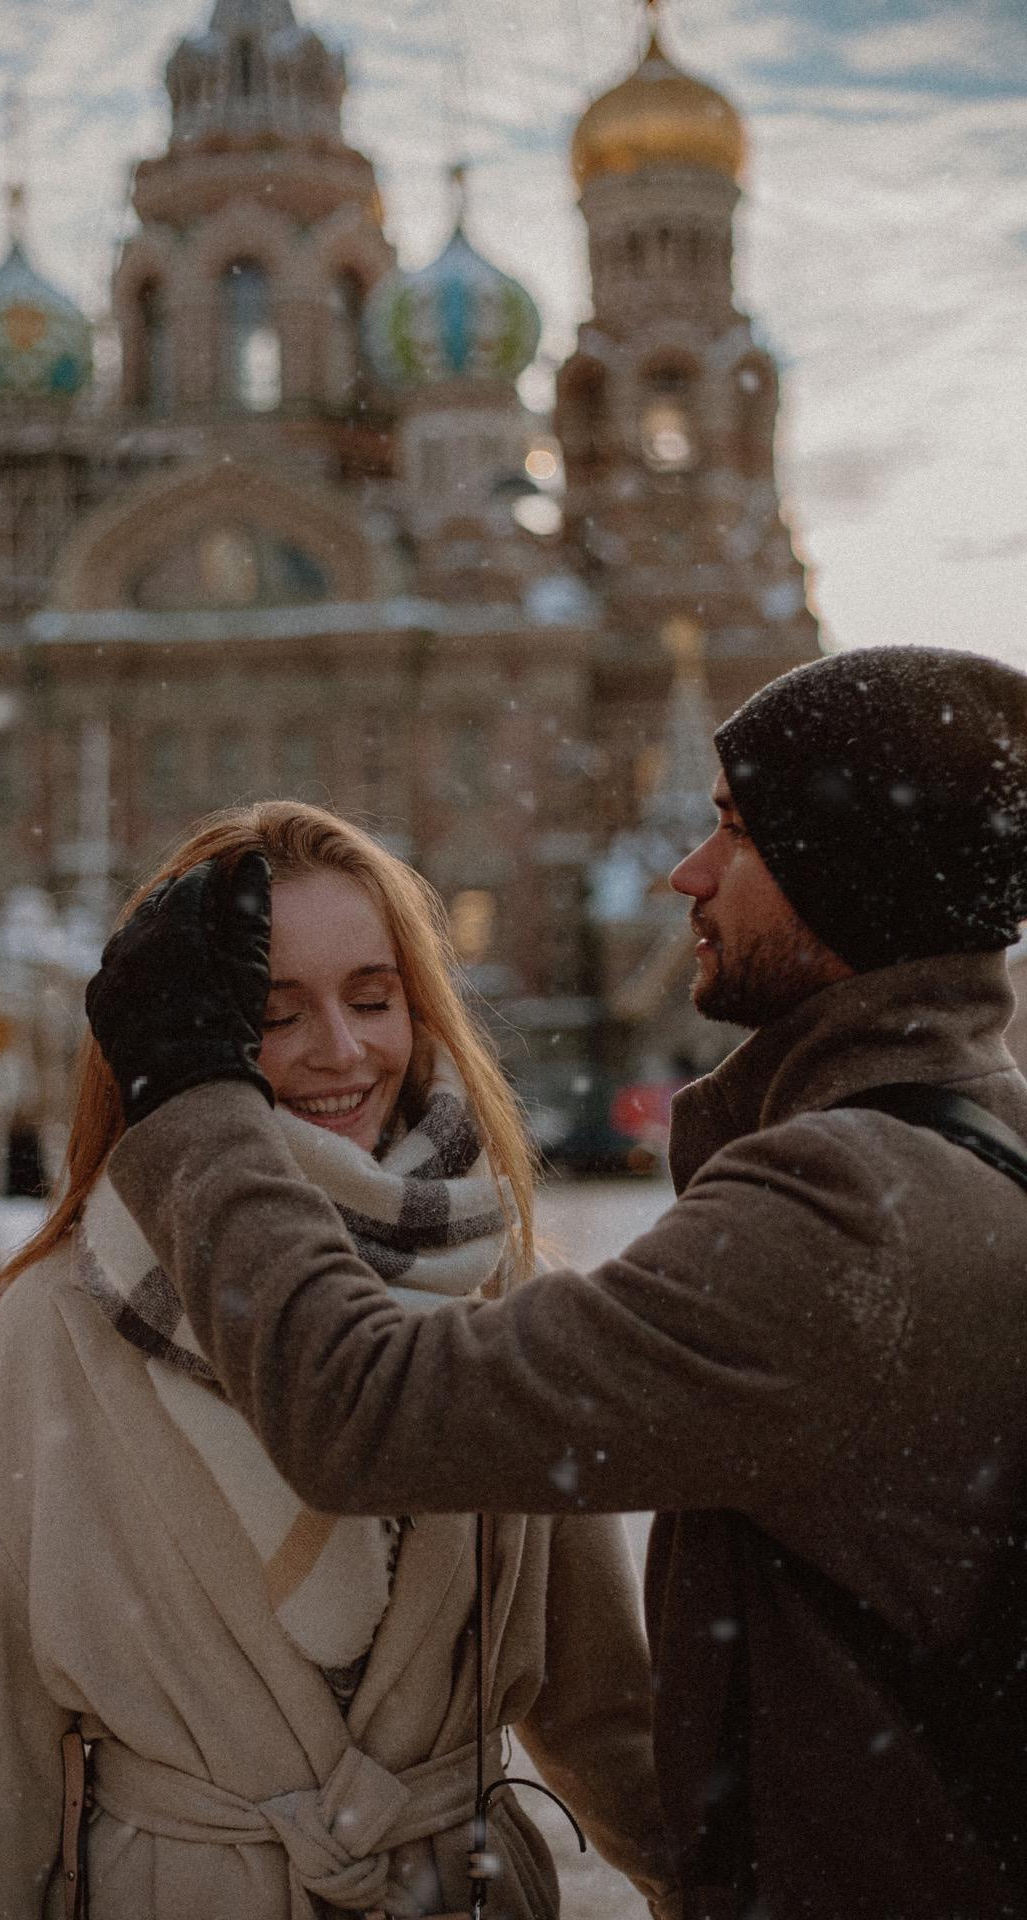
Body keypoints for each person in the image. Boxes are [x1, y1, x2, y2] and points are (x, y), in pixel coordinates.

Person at [87, 647, 1027, 1920]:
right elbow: (606, 1692)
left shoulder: (853, 1210)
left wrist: (193, 1098)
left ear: (844, 871)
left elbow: (365, 1412)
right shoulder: (965, 1140)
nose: (684, 872)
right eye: (277, 1011)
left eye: (735, 833)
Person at [0, 802, 678, 1920]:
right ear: (180, 1040)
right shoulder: (58, 1323)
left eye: (372, 997)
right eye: (272, 1013)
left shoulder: (504, 1292)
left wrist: (708, 1887)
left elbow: (603, 1707)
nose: (340, 1050)